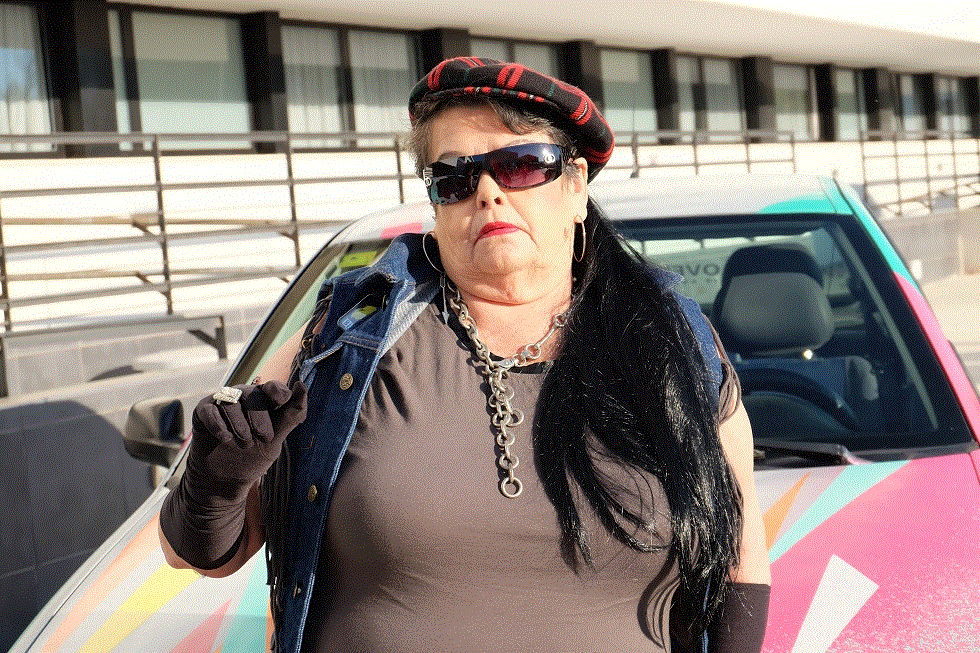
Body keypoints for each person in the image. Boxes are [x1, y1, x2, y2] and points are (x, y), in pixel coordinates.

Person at [159, 57, 771, 653]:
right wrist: (217, 481)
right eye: (455, 177)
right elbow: (199, 555)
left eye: (522, 165)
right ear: (436, 204)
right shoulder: (343, 340)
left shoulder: (673, 345)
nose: (488, 193)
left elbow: (739, 564)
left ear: (577, 186)